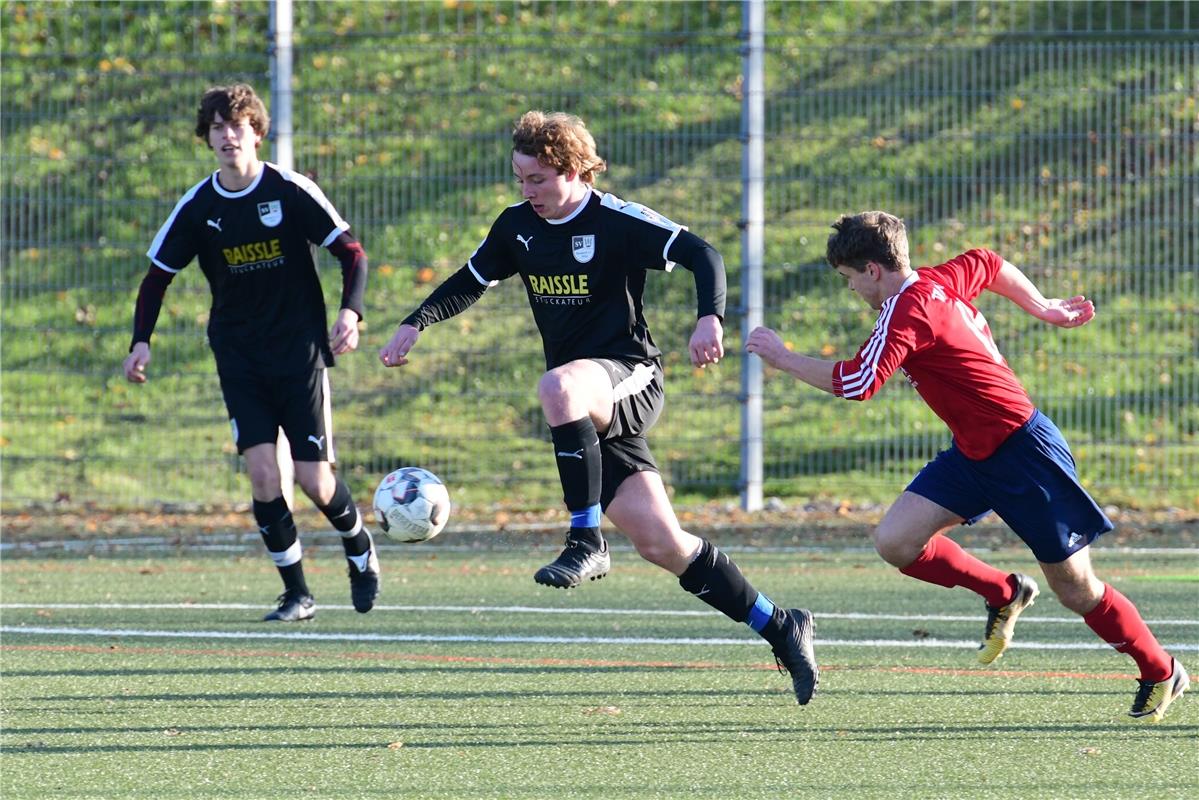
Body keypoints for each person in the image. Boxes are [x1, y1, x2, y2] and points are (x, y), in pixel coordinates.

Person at [378, 110, 818, 704]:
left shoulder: (615, 220)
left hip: (630, 376)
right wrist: (416, 322)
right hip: (588, 410)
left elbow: (703, 254)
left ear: (573, 170)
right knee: (664, 544)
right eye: (519, 178)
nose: (526, 191)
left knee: (557, 387)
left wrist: (708, 317)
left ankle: (586, 539)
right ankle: (779, 623)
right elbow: (471, 278)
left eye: (537, 179)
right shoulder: (517, 228)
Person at [746, 210, 1189, 721]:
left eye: (849, 279)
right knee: (896, 541)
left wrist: (783, 358)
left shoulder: (905, 309)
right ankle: (1004, 592)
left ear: (872, 270)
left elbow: (857, 383)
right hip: (974, 454)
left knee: (1076, 589)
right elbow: (989, 263)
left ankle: (1161, 669)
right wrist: (1043, 307)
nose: (851, 291)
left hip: (1026, 456)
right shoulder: (937, 279)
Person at [122, 83, 380, 622]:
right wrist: (140, 340)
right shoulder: (199, 206)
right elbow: (156, 278)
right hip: (239, 356)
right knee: (264, 475)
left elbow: (351, 253)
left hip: (299, 353)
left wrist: (350, 313)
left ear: (256, 133)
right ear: (207, 137)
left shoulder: (289, 190)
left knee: (313, 480)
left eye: (237, 125)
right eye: (217, 127)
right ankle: (297, 593)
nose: (227, 135)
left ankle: (358, 546)